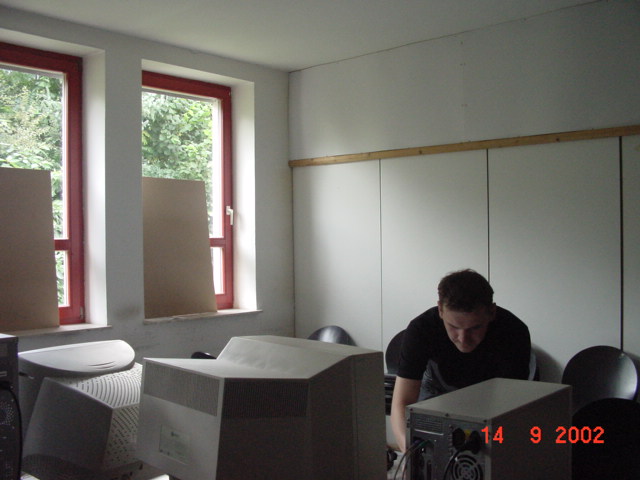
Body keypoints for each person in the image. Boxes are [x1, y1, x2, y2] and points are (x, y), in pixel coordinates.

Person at [390, 269, 531, 452]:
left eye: (475, 328)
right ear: (440, 310)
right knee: (430, 445)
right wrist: (411, 454)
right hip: (437, 386)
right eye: (454, 327)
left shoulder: (514, 332)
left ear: (492, 312)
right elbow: (402, 402)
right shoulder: (421, 329)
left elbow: (511, 408)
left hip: (492, 394)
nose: (463, 339)